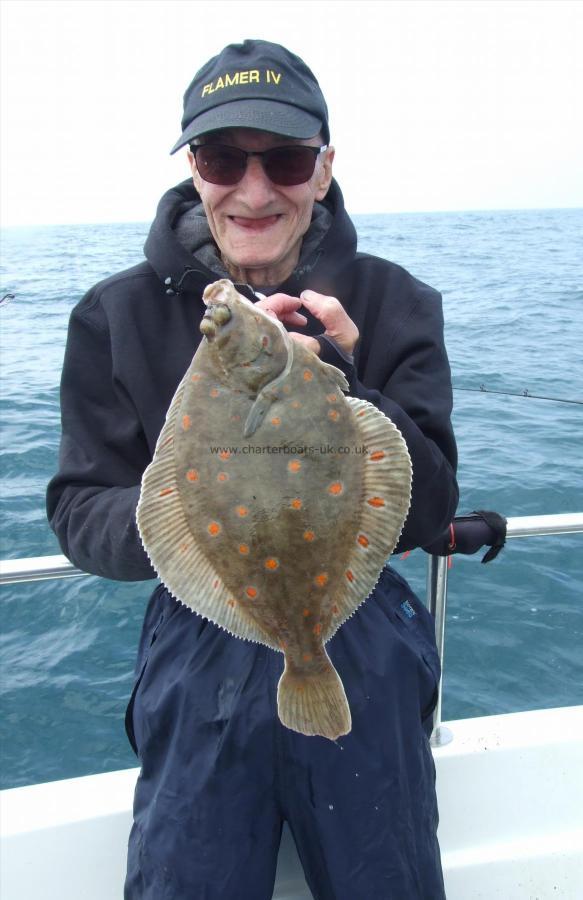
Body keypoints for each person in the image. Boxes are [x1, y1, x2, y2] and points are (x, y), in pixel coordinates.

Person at [47, 39, 458, 900]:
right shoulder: (113, 315)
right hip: (196, 657)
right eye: (223, 157)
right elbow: (80, 510)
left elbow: (430, 513)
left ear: (324, 167)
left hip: (365, 646)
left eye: (286, 158)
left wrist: (347, 382)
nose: (255, 187)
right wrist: (186, 508)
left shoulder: (395, 301)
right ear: (194, 169)